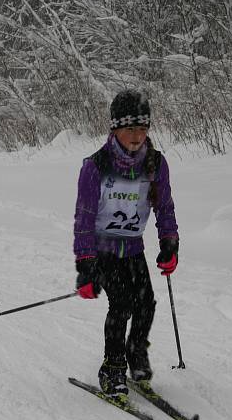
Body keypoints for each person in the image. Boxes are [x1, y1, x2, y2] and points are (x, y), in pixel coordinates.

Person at [73, 89, 179, 398]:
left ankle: (136, 352)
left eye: (143, 128)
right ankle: (113, 366)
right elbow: (83, 218)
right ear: (115, 129)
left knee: (145, 303)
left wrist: (169, 242)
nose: (136, 136)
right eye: (129, 129)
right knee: (121, 305)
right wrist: (86, 265)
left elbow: (165, 206)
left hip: (133, 248)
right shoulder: (95, 167)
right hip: (104, 250)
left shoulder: (155, 164)